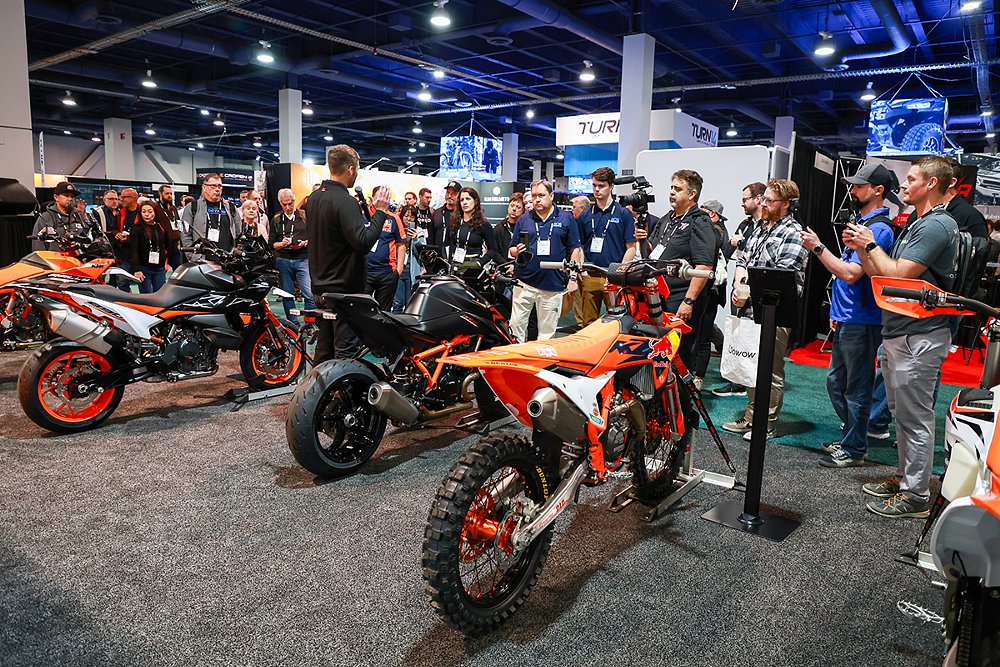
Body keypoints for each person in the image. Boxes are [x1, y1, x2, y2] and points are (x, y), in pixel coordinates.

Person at [844, 156, 959, 519]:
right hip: (900, 332)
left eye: (911, 179)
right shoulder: (917, 222)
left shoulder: (938, 225)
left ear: (931, 183)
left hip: (920, 335)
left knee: (916, 417)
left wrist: (869, 244)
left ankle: (917, 495)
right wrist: (864, 247)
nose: (903, 185)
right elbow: (883, 277)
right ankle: (904, 478)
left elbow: (899, 277)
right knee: (902, 414)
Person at [800, 164, 898, 467]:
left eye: (858, 186)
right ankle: (853, 436)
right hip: (848, 317)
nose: (852, 191)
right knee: (836, 382)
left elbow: (851, 273)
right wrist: (836, 311)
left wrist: (817, 248)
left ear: (878, 190)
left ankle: (855, 447)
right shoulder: (863, 223)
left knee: (856, 387)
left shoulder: (878, 229)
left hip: (863, 319)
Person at [722, 179, 808, 441]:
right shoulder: (759, 227)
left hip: (776, 310)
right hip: (750, 305)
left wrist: (747, 286)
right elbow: (743, 259)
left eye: (770, 200)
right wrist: (739, 285)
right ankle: (750, 417)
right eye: (764, 199)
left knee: (770, 369)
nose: (764, 204)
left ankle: (765, 423)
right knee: (749, 364)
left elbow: (783, 271)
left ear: (786, 205)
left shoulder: (793, 231)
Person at [309, 144, 389, 362]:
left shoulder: (314, 198)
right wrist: (380, 213)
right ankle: (342, 396)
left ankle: (317, 394)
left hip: (320, 286)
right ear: (351, 169)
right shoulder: (344, 201)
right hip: (343, 289)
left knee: (324, 349)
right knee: (346, 352)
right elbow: (363, 243)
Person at [634, 169, 715, 369]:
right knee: (658, 349)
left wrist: (688, 301)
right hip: (659, 294)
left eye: (677, 189)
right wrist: (642, 238)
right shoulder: (667, 219)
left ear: (691, 194)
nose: (671, 192)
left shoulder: (700, 221)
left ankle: (682, 397)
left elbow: (704, 265)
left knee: (680, 352)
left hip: (681, 297)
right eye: (671, 187)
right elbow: (653, 252)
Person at [508, 179, 583, 342]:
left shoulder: (566, 218)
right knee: (516, 328)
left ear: (551, 195)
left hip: (552, 285)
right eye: (534, 196)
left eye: (541, 195)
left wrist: (572, 278)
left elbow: (575, 250)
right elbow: (511, 249)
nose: (536, 199)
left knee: (547, 333)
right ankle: (516, 364)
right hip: (524, 283)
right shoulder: (524, 219)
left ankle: (542, 365)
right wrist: (516, 251)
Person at [712, 181, 766, 398]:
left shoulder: (767, 226)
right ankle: (735, 380)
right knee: (737, 333)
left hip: (760, 289)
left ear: (758, 199)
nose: (742, 203)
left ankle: (751, 382)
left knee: (754, 336)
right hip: (740, 287)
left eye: (745, 199)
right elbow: (728, 255)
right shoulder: (744, 225)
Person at [575, 167, 637, 326]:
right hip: (590, 275)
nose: (597, 189)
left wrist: (620, 271)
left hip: (613, 277)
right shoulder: (585, 215)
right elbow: (580, 245)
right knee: (588, 323)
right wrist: (582, 270)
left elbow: (631, 247)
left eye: (601, 185)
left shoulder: (623, 214)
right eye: (594, 185)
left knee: (617, 322)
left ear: (611, 186)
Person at [692, 199, 729, 391]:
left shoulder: (717, 234)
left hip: (709, 292)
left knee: (704, 335)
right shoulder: (720, 233)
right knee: (703, 333)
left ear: (712, 215)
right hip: (706, 291)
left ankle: (698, 377)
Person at [270, 188, 314, 327]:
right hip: (283, 259)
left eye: (290, 203)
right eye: (285, 204)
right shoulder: (276, 219)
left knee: (309, 294)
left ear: (294, 201)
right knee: (287, 294)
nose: (288, 207)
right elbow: (271, 244)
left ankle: (310, 323)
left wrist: (306, 243)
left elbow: (315, 236)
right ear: (280, 204)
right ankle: (293, 324)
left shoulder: (305, 216)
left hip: (303, 258)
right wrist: (281, 244)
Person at [365, 185, 406, 310]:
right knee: (361, 311)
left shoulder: (394, 218)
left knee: (383, 313)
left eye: (386, 197)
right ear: (372, 199)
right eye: (380, 196)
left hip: (387, 273)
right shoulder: (363, 215)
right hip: (364, 273)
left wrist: (399, 270)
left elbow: (401, 244)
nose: (383, 200)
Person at [182, 173, 240, 252]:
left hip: (227, 258)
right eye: (213, 186)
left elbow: (238, 233)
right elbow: (185, 234)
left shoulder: (231, 208)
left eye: (219, 186)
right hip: (202, 258)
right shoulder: (192, 207)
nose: (217, 189)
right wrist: (194, 256)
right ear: (204, 187)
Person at [30, 181, 92, 251]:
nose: (70, 199)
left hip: (78, 259)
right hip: (56, 259)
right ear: (56, 197)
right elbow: (38, 245)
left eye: (72, 196)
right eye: (66, 195)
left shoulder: (77, 215)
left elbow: (88, 236)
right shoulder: (46, 217)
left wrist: (83, 215)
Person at [449, 187, 500, 269]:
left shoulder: (483, 224)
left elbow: (493, 249)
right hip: (455, 265)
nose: (464, 202)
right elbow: (452, 245)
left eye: (468, 199)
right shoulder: (455, 221)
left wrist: (480, 263)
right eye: (462, 200)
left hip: (473, 266)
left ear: (475, 201)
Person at [129, 201, 170, 294]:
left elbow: (166, 246)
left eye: (150, 212)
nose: (146, 214)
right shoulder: (136, 228)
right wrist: (137, 270)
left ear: (155, 212)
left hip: (159, 267)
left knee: (160, 295)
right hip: (144, 268)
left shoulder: (160, 227)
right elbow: (133, 250)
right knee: (146, 295)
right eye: (143, 212)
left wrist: (165, 263)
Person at [429, 181, 460, 252]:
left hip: (456, 257)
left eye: (453, 194)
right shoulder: (437, 213)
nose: (449, 196)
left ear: (459, 195)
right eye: (448, 193)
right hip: (438, 257)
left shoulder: (462, 214)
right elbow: (431, 236)